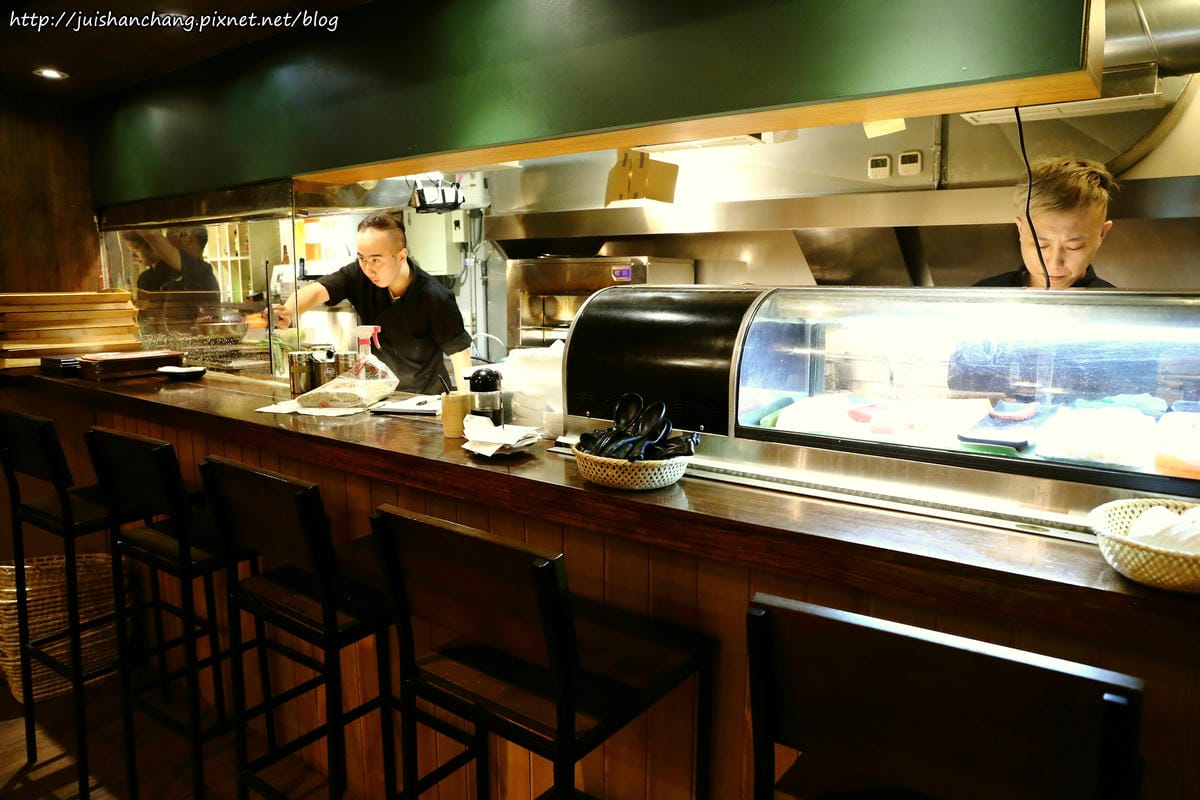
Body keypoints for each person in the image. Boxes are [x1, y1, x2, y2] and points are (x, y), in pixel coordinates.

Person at [272, 212, 473, 394]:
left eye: (376, 260)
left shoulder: (435, 296)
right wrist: (288, 311)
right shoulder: (359, 275)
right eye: (362, 258)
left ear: (401, 256)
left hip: (427, 402)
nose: (368, 268)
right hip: (381, 397)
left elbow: (460, 356)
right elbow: (316, 292)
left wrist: (467, 411)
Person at [974, 157, 1117, 289]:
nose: (1054, 264)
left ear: (1102, 234)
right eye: (1040, 245)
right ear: (1021, 230)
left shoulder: (1121, 310)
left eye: (1074, 246)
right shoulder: (980, 299)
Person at [130, 226, 220, 292]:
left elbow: (151, 233)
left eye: (173, 234)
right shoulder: (158, 273)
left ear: (190, 240)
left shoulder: (202, 271)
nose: (167, 240)